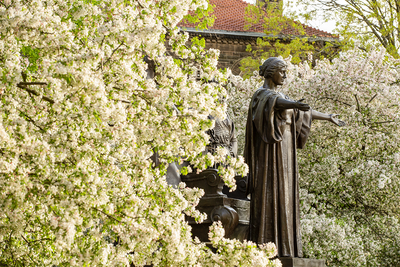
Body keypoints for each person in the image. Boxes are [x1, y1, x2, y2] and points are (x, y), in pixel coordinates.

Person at [244, 57, 344, 258]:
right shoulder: (261, 96)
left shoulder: (282, 97)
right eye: (282, 71)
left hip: (286, 152)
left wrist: (328, 117)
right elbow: (277, 103)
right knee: (271, 192)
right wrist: (293, 104)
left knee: (287, 196)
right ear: (271, 72)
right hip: (270, 154)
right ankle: (268, 247)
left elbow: (302, 111)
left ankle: (288, 248)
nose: (285, 75)